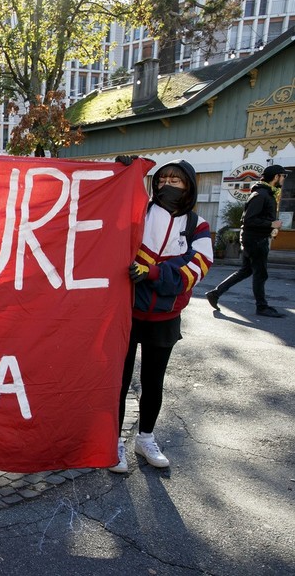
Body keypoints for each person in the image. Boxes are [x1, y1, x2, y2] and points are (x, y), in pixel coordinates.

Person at [110, 159, 213, 473]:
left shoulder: (198, 226)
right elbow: (110, 229)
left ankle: (145, 438)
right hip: (128, 312)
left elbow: (197, 268)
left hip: (165, 317)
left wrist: (153, 272)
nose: (167, 184)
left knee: (153, 382)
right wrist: (123, 177)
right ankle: (113, 441)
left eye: (176, 180)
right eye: (163, 178)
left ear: (189, 186)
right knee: (119, 380)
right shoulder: (138, 213)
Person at [205, 164, 287, 318]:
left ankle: (215, 293)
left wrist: (271, 227)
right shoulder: (261, 195)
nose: (284, 179)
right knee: (260, 274)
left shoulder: (266, 193)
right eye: (283, 176)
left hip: (255, 238)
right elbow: (249, 220)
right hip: (255, 240)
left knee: (247, 270)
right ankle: (262, 307)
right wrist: (270, 224)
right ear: (276, 177)